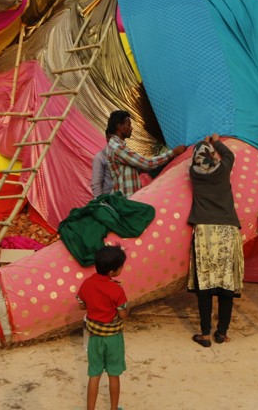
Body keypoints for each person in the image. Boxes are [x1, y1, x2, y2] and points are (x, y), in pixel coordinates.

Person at [186, 133, 243, 347]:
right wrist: (216, 142)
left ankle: (205, 334)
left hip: (204, 232)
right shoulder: (224, 168)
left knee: (206, 284)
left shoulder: (193, 172)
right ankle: (222, 333)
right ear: (212, 155)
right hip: (228, 230)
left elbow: (196, 161)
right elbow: (229, 154)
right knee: (225, 282)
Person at [77, 244, 129, 410]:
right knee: (114, 375)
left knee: (94, 374)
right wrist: (127, 308)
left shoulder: (87, 284)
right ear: (112, 272)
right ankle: (114, 408)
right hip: (113, 338)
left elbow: (81, 306)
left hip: (94, 338)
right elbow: (122, 314)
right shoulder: (116, 289)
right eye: (121, 266)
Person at [104, 110, 185, 198]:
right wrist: (173, 152)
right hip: (127, 199)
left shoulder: (117, 146)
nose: (131, 128)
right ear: (120, 126)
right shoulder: (117, 148)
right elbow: (147, 163)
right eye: (129, 125)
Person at [91, 133, 114, 198]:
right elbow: (96, 184)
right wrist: (101, 203)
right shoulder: (100, 157)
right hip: (108, 201)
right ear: (108, 138)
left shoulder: (123, 156)